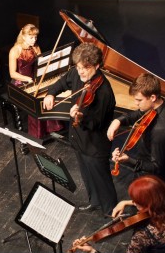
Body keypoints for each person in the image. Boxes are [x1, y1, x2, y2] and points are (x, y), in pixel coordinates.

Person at [42, 42, 118, 216]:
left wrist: (80, 117)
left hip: (94, 144)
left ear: (97, 66)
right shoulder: (76, 74)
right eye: (78, 67)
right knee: (87, 175)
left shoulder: (104, 92)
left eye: (86, 68)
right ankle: (95, 202)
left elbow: (96, 122)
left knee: (102, 180)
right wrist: (51, 93)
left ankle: (111, 212)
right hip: (78, 139)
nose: (81, 71)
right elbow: (62, 82)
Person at [71, 175, 165, 252]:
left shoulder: (142, 236)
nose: (134, 203)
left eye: (136, 202)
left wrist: (92, 251)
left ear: (147, 205)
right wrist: (125, 202)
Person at [107, 73, 165, 189]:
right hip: (149, 168)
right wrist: (118, 121)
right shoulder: (164, 104)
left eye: (139, 100)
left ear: (153, 97)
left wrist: (129, 160)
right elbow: (139, 113)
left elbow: (156, 167)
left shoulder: (160, 131)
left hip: (152, 182)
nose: (136, 103)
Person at [8, 23, 64, 139]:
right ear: (24, 36)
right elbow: (12, 74)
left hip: (34, 79)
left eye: (35, 37)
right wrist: (27, 79)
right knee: (35, 101)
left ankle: (51, 128)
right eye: (31, 37)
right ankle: (36, 134)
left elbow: (41, 64)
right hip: (20, 82)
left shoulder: (36, 47)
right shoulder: (15, 50)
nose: (34, 40)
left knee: (48, 93)